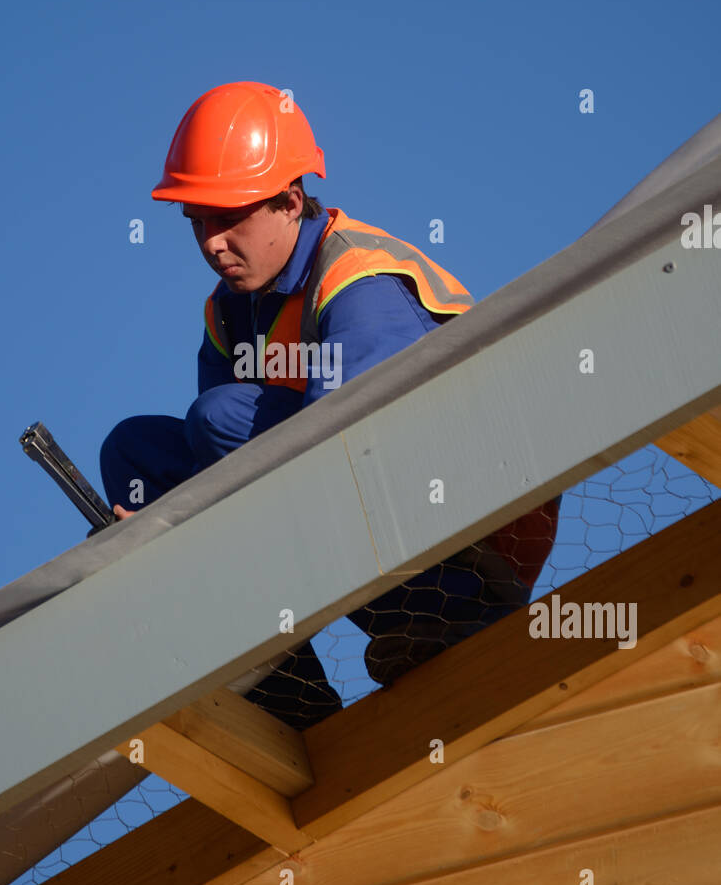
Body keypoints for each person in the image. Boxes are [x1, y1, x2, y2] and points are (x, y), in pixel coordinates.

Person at [100, 82, 559, 729]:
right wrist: (163, 542)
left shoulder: (360, 282)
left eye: (228, 217)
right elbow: (226, 475)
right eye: (197, 221)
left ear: (290, 201)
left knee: (221, 420)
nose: (210, 241)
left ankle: (448, 619)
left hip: (472, 539)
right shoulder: (229, 311)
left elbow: (355, 453)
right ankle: (284, 700)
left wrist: (200, 536)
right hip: (343, 506)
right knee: (136, 452)